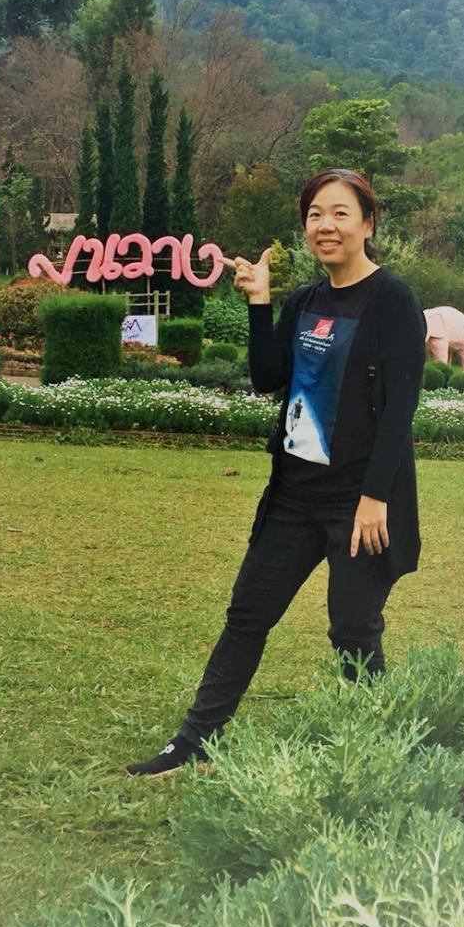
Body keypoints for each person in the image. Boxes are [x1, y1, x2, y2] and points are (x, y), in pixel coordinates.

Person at [125, 167, 426, 777]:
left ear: (368, 223)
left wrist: (375, 497)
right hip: (293, 495)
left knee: (353, 629)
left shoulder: (393, 300)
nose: (325, 226)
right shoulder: (305, 302)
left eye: (340, 213)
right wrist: (259, 303)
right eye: (315, 214)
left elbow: (400, 408)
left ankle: (379, 751)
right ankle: (194, 741)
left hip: (356, 500)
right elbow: (268, 378)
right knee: (247, 616)